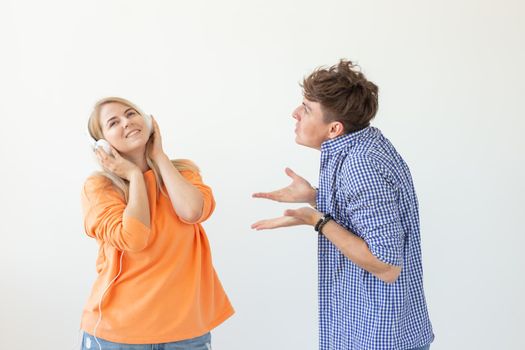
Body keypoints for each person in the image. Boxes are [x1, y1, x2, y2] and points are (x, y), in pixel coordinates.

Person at [252, 60, 434, 350]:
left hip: (379, 337)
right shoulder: (364, 145)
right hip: (375, 331)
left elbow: (387, 265)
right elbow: (366, 211)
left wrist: (318, 220)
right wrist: (315, 195)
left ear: (334, 128)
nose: (295, 114)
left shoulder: (360, 166)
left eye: (307, 109)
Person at [80, 97, 233, 349]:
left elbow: (192, 211)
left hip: (186, 331)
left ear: (149, 122)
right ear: (102, 144)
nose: (127, 122)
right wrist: (133, 175)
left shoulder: (184, 173)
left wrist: (158, 156)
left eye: (131, 114)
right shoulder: (99, 188)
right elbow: (134, 238)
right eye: (114, 122)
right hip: (117, 335)